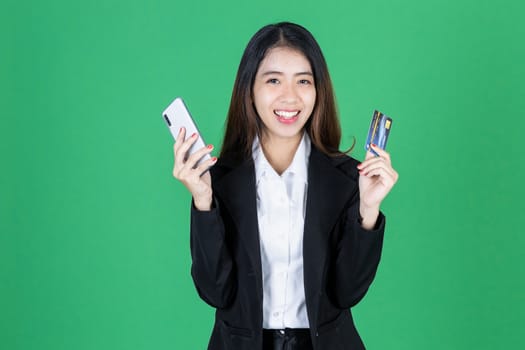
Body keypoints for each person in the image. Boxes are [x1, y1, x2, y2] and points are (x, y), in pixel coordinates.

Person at [172, 22, 398, 350]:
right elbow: (215, 293)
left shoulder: (351, 178)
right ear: (249, 88)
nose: (289, 97)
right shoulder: (217, 180)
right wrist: (204, 201)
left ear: (318, 90)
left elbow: (348, 293)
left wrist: (367, 211)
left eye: (303, 81)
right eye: (273, 80)